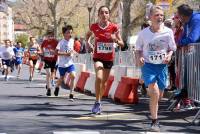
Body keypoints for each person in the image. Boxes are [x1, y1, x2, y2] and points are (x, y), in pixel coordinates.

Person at [135, 5, 176, 131]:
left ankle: (151, 98)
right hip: (148, 65)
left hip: (162, 66)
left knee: (160, 94)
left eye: (161, 15)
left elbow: (172, 48)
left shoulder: (168, 32)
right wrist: (139, 57)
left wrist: (169, 55)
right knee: (155, 92)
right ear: (150, 17)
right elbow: (138, 49)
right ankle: (154, 121)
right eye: (157, 15)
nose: (159, 17)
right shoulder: (143, 33)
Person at [86, 6, 124, 114]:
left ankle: (99, 100)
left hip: (109, 58)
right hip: (98, 57)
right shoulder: (94, 26)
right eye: (102, 12)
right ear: (98, 15)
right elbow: (88, 35)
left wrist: (115, 39)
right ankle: (97, 102)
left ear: (109, 15)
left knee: (104, 83)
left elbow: (122, 43)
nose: (104, 14)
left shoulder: (114, 27)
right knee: (99, 77)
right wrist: (88, 42)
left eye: (106, 12)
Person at [54, 25, 76, 100]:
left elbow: (72, 50)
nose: (69, 34)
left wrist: (74, 53)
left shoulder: (72, 41)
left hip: (70, 63)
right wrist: (65, 54)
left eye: (70, 32)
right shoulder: (61, 42)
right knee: (61, 78)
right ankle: (57, 87)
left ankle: (71, 93)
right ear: (63, 34)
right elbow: (56, 53)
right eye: (67, 32)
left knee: (73, 76)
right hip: (62, 64)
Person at [40, 30, 58, 96]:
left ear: (53, 36)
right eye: (48, 36)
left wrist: (54, 51)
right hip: (46, 59)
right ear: (46, 36)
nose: (50, 37)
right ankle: (49, 89)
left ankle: (48, 84)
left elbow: (58, 49)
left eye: (51, 36)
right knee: (48, 73)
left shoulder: (55, 42)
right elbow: (41, 47)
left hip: (53, 59)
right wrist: (43, 52)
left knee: (52, 73)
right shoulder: (45, 42)